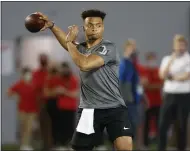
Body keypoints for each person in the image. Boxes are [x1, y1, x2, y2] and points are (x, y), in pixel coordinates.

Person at [37, 9, 133, 151]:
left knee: (124, 147)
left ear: (103, 27)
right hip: (89, 109)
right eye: (90, 25)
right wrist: (52, 25)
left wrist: (70, 42)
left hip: (114, 108)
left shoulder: (108, 47)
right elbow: (67, 43)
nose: (94, 28)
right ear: (84, 28)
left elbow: (85, 64)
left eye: (98, 25)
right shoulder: (81, 49)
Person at [158, 34, 190, 151]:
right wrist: (172, 59)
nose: (180, 47)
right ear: (174, 46)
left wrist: (171, 77)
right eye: (178, 45)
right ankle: (161, 148)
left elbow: (186, 76)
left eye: (182, 45)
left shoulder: (188, 59)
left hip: (184, 95)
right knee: (163, 124)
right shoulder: (167, 59)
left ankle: (181, 148)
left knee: (181, 125)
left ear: (185, 46)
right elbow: (162, 75)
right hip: (169, 95)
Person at [119, 39, 143, 148]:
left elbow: (136, 84)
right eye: (131, 47)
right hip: (126, 101)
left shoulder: (133, 64)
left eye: (134, 47)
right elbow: (122, 83)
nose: (134, 50)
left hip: (133, 101)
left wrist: (141, 97)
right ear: (126, 49)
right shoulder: (123, 63)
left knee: (133, 127)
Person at [7, 67, 38, 151]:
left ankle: (26, 145)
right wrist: (15, 96)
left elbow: (38, 95)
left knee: (29, 128)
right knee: (23, 128)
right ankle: (23, 145)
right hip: (22, 110)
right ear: (23, 75)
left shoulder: (34, 84)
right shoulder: (19, 84)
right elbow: (9, 92)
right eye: (27, 74)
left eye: (29, 74)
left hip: (32, 110)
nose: (28, 76)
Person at [52, 62, 79, 150]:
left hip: (70, 107)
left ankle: (70, 145)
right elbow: (53, 90)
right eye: (62, 69)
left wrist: (64, 91)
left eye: (65, 69)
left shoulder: (73, 79)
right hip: (60, 107)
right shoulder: (59, 79)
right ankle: (62, 145)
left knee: (70, 127)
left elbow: (75, 94)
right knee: (60, 127)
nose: (64, 71)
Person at [142, 52, 163, 147]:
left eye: (153, 59)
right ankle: (146, 144)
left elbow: (161, 84)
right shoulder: (145, 71)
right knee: (146, 123)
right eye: (150, 59)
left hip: (158, 102)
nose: (152, 61)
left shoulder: (159, 71)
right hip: (147, 102)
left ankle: (159, 143)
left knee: (159, 123)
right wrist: (153, 86)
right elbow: (144, 85)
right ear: (147, 60)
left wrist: (150, 85)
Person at [32, 54, 51, 150]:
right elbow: (36, 86)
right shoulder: (36, 73)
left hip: (51, 102)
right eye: (42, 60)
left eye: (45, 59)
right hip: (41, 102)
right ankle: (44, 145)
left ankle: (50, 144)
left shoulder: (51, 72)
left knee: (51, 124)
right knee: (42, 124)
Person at [43, 63, 60, 147]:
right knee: (51, 124)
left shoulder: (59, 78)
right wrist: (54, 92)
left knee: (59, 123)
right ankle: (53, 143)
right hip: (51, 103)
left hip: (59, 103)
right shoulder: (48, 79)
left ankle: (58, 142)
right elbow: (46, 93)